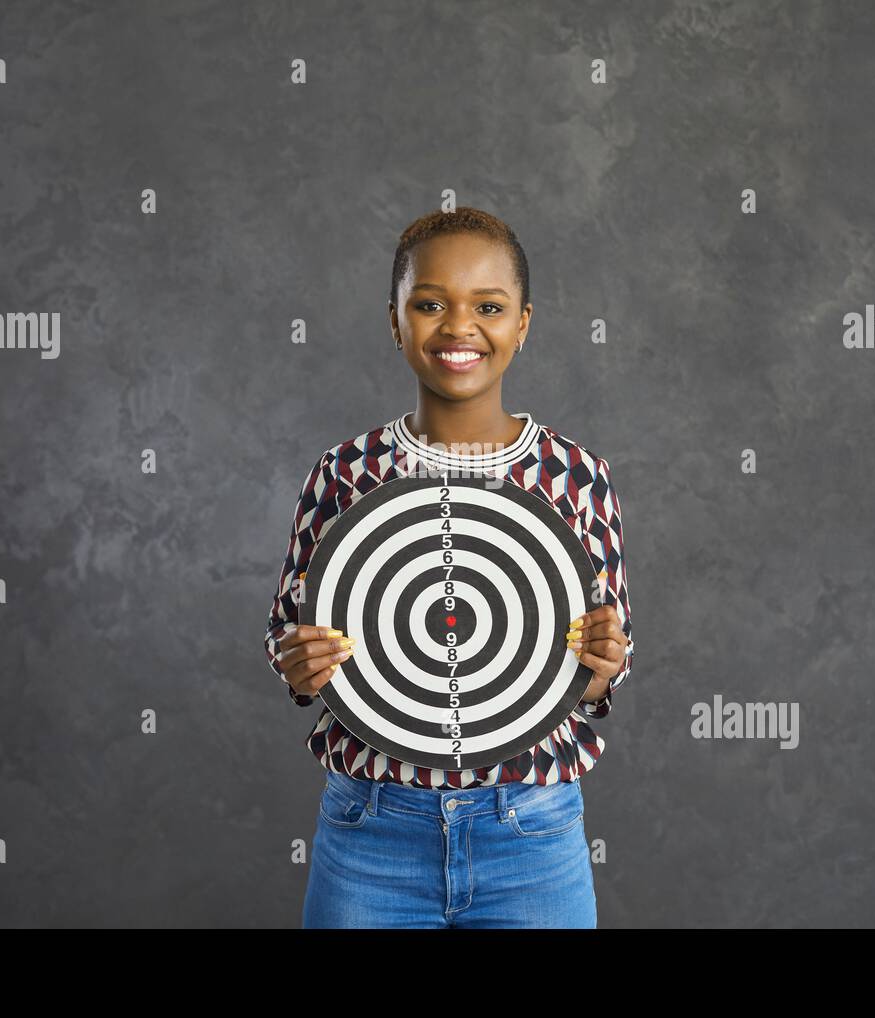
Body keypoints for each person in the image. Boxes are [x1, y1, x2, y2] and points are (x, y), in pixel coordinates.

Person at [264, 207, 634, 928]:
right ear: (396, 322)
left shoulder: (578, 475)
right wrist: (296, 662)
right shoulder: (346, 472)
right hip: (372, 826)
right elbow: (286, 635)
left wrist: (604, 662)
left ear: (522, 324)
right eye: (430, 304)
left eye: (488, 307)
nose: (459, 326)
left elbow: (608, 658)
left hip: (531, 828)